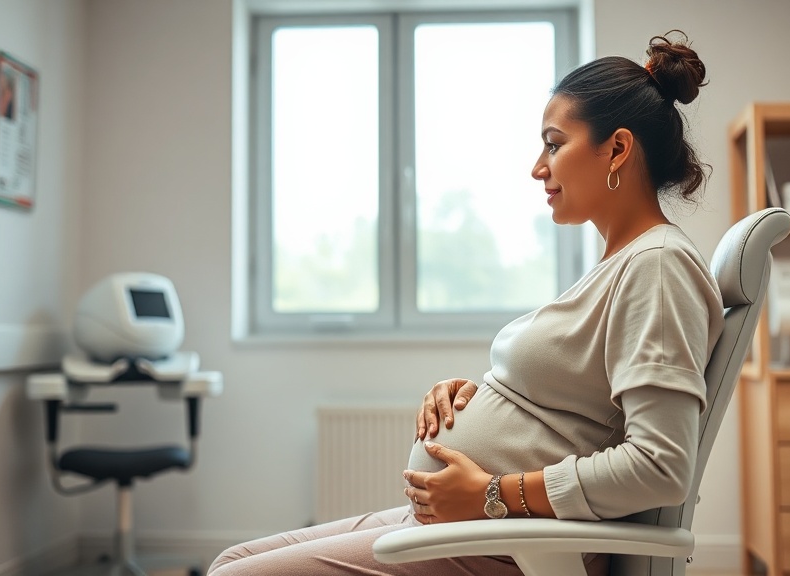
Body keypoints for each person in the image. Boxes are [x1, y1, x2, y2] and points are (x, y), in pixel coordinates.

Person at [209, 30, 722, 576]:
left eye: (554, 143)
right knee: (232, 559)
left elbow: (659, 466)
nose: (537, 167)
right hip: (477, 526)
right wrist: (481, 396)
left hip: (515, 541)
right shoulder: (621, 264)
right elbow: (575, 406)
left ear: (617, 149)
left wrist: (495, 495)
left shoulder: (659, 267)